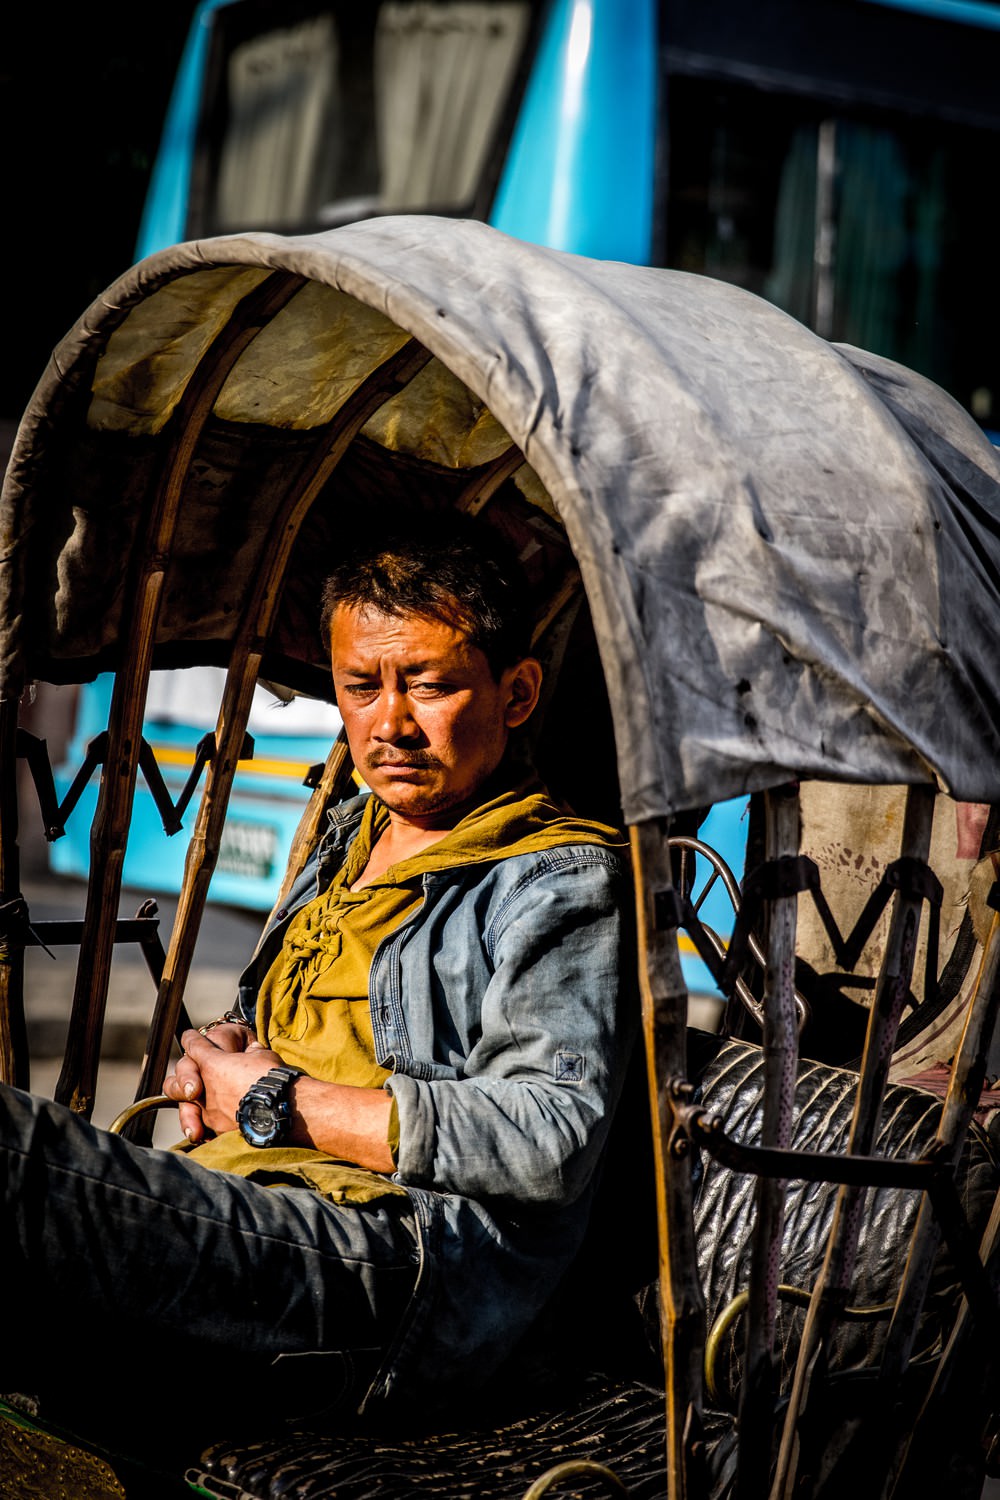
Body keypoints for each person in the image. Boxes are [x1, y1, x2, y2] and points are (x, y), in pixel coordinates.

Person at [0, 515, 635, 1453]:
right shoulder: (352, 834)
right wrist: (215, 1058)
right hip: (249, 1210)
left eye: (429, 683)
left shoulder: (558, 879)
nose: (390, 723)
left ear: (518, 691)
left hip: (394, 1269)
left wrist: (272, 1098)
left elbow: (547, 1139)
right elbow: (287, 1021)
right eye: (360, 687)